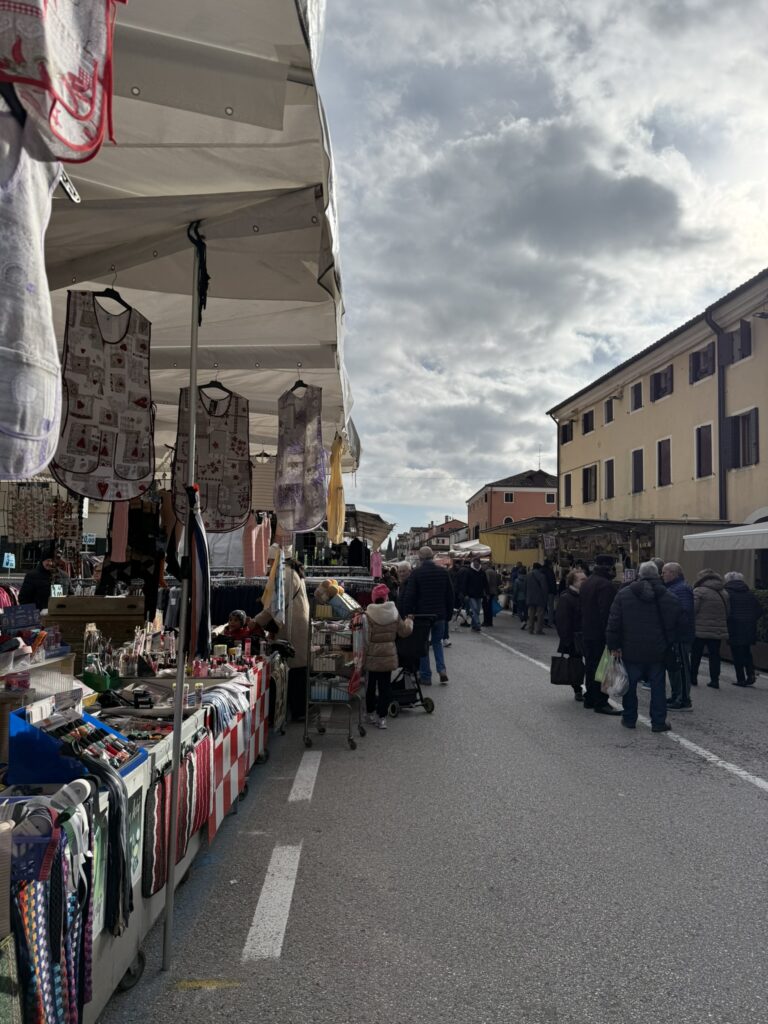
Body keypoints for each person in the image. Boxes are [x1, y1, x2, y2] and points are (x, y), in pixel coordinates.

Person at [606, 561, 681, 733]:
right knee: (658, 686)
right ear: (658, 575)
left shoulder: (624, 594)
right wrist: (669, 641)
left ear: (639, 574)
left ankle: (629, 718)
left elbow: (614, 622)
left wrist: (613, 645)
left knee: (630, 685)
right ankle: (658, 721)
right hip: (658, 649)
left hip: (630, 649)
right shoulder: (668, 596)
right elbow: (677, 621)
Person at [253, 556, 310, 720]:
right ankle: (298, 710)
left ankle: (297, 711)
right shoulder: (291, 572)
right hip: (297, 625)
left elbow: (275, 604)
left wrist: (257, 620)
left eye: (269, 562)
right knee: (298, 668)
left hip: (292, 627)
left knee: (294, 668)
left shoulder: (285, 573)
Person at [399, 546, 454, 683]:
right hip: (440, 614)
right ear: (433, 557)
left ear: (420, 558)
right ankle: (441, 670)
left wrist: (407, 613)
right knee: (437, 643)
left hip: (422, 616)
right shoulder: (443, 572)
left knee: (422, 645)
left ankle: (426, 676)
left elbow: (410, 596)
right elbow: (450, 595)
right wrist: (448, 614)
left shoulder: (416, 573)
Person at [364, 583, 414, 728]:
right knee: (385, 686)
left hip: (372, 655)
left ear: (373, 598)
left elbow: (364, 636)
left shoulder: (368, 614)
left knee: (370, 686)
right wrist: (410, 620)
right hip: (388, 654)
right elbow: (404, 632)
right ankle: (382, 718)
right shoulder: (394, 613)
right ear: (386, 598)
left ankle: (370, 714)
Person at [579, 553, 620, 715]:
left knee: (591, 666)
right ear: (609, 567)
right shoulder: (606, 586)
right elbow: (607, 613)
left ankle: (590, 697)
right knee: (603, 668)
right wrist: (611, 636)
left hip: (588, 630)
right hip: (600, 633)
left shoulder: (588, 582)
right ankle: (600, 701)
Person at [661, 562, 694, 711]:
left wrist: (672, 625)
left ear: (673, 573)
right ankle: (676, 695)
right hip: (674, 635)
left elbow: (684, 611)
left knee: (681, 668)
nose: (662, 575)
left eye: (664, 572)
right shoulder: (674, 588)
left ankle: (684, 699)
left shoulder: (681, 589)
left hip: (680, 635)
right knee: (674, 667)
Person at [691, 568, 730, 689]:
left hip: (700, 628)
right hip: (717, 629)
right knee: (715, 655)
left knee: (696, 654)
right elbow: (727, 611)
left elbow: (693, 609)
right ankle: (714, 680)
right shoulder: (724, 593)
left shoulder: (699, 591)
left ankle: (693, 677)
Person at [723, 571, 762, 686]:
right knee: (746, 651)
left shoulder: (727, 593)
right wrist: (751, 619)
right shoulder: (749, 593)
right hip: (749, 626)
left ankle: (741, 678)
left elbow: (725, 610)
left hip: (734, 625)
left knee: (736, 653)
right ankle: (751, 674)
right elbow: (759, 610)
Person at [555, 568, 587, 701]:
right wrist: (567, 639)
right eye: (582, 579)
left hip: (586, 635)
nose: (585, 581)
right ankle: (577, 689)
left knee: (588, 664)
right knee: (576, 664)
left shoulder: (585, 595)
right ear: (573, 582)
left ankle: (588, 689)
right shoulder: (566, 597)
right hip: (574, 637)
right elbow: (561, 620)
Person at [456, 557, 489, 633]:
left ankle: (474, 625)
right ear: (473, 563)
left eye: (477, 562)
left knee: (477, 610)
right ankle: (477, 624)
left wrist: (487, 593)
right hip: (471, 595)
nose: (475, 564)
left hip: (479, 594)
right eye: (474, 562)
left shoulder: (482, 572)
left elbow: (485, 583)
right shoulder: (469, 572)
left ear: (479, 563)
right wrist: (465, 594)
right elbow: (465, 583)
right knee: (474, 608)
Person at [524, 562, 548, 635]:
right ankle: (538, 630)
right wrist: (545, 598)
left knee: (531, 614)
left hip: (530, 597)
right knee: (540, 614)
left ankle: (530, 629)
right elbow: (544, 588)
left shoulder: (528, 575)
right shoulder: (542, 576)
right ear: (539, 568)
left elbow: (525, 587)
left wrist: (526, 596)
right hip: (540, 598)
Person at [483, 562, 501, 627]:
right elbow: (499, 582)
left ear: (487, 565)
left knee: (486, 607)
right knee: (490, 607)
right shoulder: (494, 572)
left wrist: (485, 592)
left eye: (483, 565)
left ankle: (486, 622)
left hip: (488, 592)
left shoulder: (487, 572)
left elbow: (486, 582)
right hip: (494, 591)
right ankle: (490, 622)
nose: (483, 567)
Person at [542, 558, 557, 626]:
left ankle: (542, 621)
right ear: (549, 564)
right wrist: (554, 591)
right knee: (550, 607)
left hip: (543, 592)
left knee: (543, 607)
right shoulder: (550, 571)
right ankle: (550, 622)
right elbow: (552, 582)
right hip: (550, 591)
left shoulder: (541, 570)